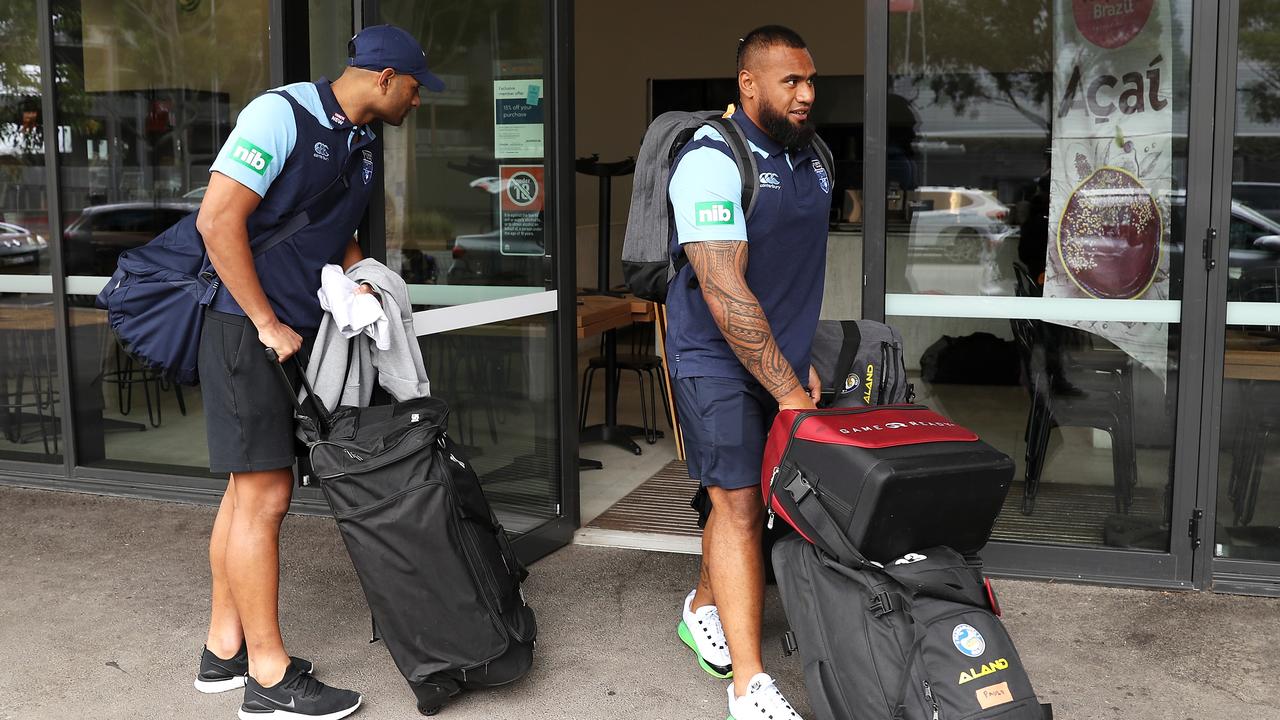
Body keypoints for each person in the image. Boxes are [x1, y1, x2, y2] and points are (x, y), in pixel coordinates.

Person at [189, 24, 443, 720]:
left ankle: (224, 649)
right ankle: (268, 679)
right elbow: (217, 222)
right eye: (417, 88)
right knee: (265, 499)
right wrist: (268, 323)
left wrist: (359, 277)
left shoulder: (361, 141)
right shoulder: (280, 115)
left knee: (246, 495)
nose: (419, 102)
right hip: (247, 332)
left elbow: (327, 229)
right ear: (386, 77)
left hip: (292, 337)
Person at [665, 24, 828, 720]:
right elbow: (724, 290)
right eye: (791, 81)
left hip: (779, 361)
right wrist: (787, 392)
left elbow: (793, 272)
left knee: (757, 500)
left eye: (811, 81)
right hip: (712, 358)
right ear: (748, 82)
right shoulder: (710, 158)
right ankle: (750, 686)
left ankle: (702, 604)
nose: (807, 94)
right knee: (736, 503)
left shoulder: (813, 156)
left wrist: (802, 362)